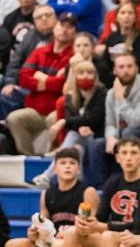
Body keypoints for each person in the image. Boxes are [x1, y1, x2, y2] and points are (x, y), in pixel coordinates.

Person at [4, 13, 76, 155]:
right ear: (55, 27)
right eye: (62, 25)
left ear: (75, 32)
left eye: (70, 27)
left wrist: (42, 78)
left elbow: (63, 86)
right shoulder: (39, 52)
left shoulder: (73, 56)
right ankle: (27, 157)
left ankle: (51, 159)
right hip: (35, 110)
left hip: (56, 110)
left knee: (54, 119)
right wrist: (52, 80)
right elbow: (24, 78)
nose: (65, 30)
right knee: (14, 118)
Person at [31, 60, 106, 190]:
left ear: (95, 76)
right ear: (75, 76)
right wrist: (79, 126)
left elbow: (95, 119)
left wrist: (65, 122)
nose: (85, 76)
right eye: (81, 73)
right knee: (77, 149)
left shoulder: (102, 92)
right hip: (79, 137)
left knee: (74, 135)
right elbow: (72, 121)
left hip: (97, 134)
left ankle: (47, 176)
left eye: (89, 73)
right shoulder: (71, 95)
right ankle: (78, 186)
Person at [1, 4, 57, 118]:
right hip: (26, 83)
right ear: (34, 22)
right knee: (6, 91)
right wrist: (10, 83)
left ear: (56, 18)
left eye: (48, 15)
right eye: (39, 17)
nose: (44, 19)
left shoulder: (61, 36)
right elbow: (14, 63)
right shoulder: (29, 36)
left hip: (50, 86)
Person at [94, 2, 140, 84]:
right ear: (117, 17)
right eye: (123, 13)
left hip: (132, 79)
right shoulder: (112, 37)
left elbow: (139, 63)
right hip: (112, 78)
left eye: (130, 13)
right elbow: (105, 61)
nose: (126, 16)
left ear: (135, 18)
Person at [0, 0, 39, 72]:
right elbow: (5, 46)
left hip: (35, 63)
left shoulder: (42, 16)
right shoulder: (10, 18)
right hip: (13, 64)